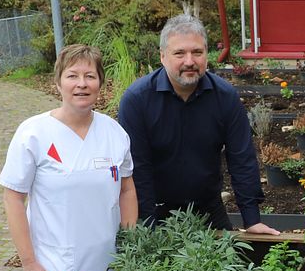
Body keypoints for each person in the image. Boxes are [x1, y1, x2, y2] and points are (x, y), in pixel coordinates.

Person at [0, 44, 138, 271]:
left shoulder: (114, 132)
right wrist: (29, 262)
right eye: (72, 75)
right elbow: (13, 198)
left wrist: (130, 246)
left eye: (90, 76)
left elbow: (127, 189)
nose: (82, 83)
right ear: (58, 82)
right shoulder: (33, 133)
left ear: (101, 84)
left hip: (108, 267)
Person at [118, 14, 279, 235]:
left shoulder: (225, 97)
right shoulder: (137, 100)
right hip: (155, 212)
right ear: (162, 56)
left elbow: (242, 159)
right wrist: (147, 230)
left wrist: (251, 219)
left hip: (208, 210)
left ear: (206, 54)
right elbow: (138, 169)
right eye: (179, 53)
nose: (189, 61)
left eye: (197, 52)